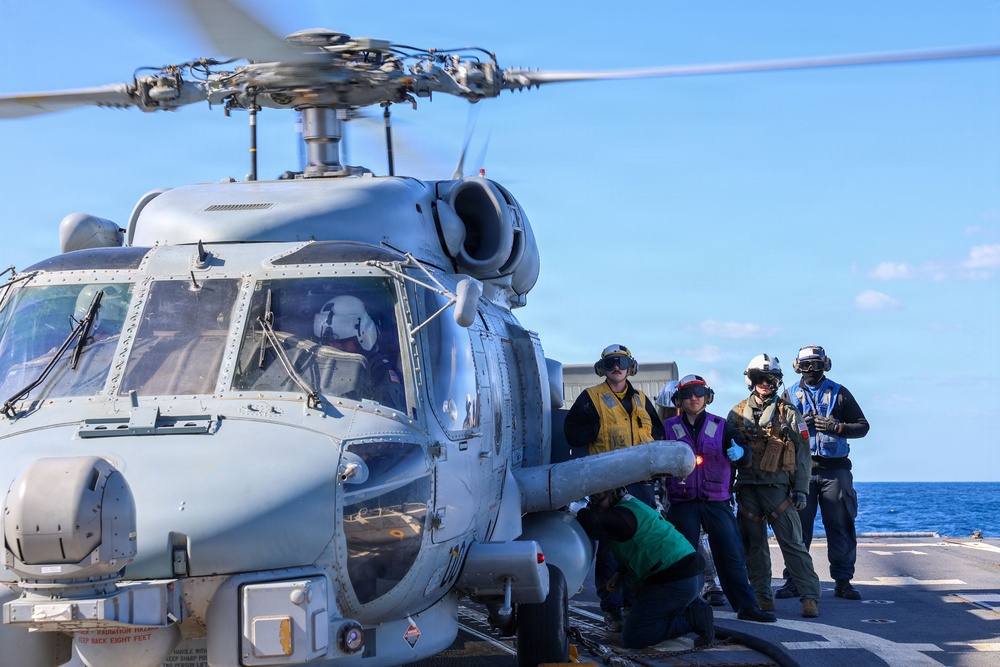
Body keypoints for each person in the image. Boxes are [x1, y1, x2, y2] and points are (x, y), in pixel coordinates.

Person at [564, 343, 665, 631]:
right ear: (603, 369)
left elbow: (657, 433)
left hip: (641, 483)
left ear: (630, 366)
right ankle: (612, 609)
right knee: (610, 549)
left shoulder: (643, 400)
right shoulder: (591, 398)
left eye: (620, 362)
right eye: (610, 364)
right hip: (608, 484)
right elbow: (572, 433)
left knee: (642, 544)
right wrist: (595, 429)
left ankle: (636, 604)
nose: (616, 367)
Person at [662, 374, 776, 623]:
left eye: (698, 393)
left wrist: (741, 452)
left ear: (707, 397)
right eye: (688, 394)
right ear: (679, 399)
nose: (694, 398)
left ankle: (747, 607)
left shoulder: (722, 426)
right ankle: (683, 608)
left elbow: (745, 454)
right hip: (682, 504)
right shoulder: (667, 428)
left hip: (716, 502)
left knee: (731, 554)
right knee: (682, 558)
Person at [727, 354, 822, 618]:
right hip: (747, 488)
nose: (765, 383)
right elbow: (725, 455)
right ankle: (761, 596)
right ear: (751, 380)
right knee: (753, 546)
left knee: (793, 544)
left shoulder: (789, 413)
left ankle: (810, 597)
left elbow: (803, 454)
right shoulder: (735, 414)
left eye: (770, 379)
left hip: (778, 489)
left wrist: (801, 489)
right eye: (760, 378)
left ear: (778, 382)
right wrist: (725, 491)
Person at [775, 345, 871, 601]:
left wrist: (836, 427)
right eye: (805, 365)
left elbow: (862, 427)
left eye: (815, 364)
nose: (810, 370)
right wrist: (797, 427)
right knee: (798, 529)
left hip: (835, 471)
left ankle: (843, 582)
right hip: (800, 473)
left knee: (840, 526)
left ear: (824, 365)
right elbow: (774, 432)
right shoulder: (788, 395)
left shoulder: (840, 394)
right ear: (797, 366)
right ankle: (793, 580)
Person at [576, 487, 714, 649]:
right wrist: (621, 574)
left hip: (676, 581)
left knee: (634, 636)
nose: (595, 504)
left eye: (598, 499)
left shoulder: (620, 518)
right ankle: (693, 607)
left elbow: (591, 521)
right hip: (689, 575)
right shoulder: (633, 506)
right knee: (647, 610)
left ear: (613, 494)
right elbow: (645, 546)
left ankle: (693, 618)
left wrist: (577, 509)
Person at [314, 295, 404, 410]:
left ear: (365, 336)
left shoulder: (380, 372)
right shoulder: (318, 365)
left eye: (343, 341)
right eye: (330, 342)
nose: (335, 347)